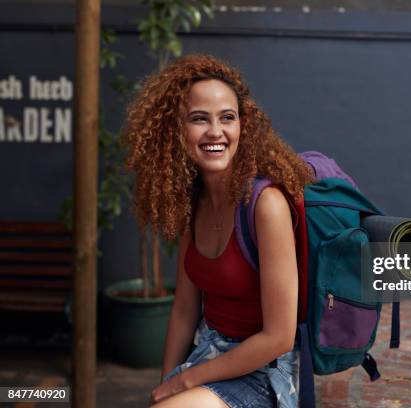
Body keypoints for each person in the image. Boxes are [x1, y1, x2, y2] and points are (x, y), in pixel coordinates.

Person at [124, 54, 315, 408]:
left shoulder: (265, 205)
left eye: (227, 117)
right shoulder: (193, 201)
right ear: (176, 130)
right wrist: (166, 384)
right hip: (208, 355)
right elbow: (184, 308)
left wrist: (185, 380)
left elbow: (278, 338)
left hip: (263, 372)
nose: (216, 132)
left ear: (244, 125)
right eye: (199, 119)